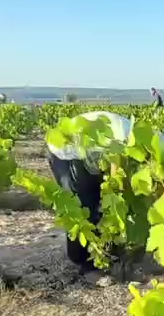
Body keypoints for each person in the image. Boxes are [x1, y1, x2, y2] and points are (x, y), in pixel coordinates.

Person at [45, 110, 137, 272]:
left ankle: (106, 251)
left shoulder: (142, 141)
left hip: (91, 153)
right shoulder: (124, 139)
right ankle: (83, 262)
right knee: (81, 204)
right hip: (65, 151)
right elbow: (116, 177)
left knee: (104, 201)